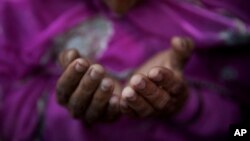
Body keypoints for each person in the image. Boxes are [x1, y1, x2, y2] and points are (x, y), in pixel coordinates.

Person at [0, 0, 249, 140]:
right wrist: (64, 108)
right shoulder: (17, 10)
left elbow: (239, 129)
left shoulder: (228, 14)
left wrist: (186, 103)